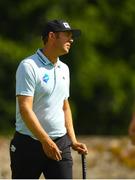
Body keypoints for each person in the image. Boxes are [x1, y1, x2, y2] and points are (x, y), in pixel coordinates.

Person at [10, 19, 88, 179]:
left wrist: (72, 140)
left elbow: (64, 106)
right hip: (28, 144)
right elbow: (25, 108)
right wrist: (45, 141)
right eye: (67, 35)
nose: (71, 40)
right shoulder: (28, 66)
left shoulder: (64, 69)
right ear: (52, 36)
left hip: (60, 143)